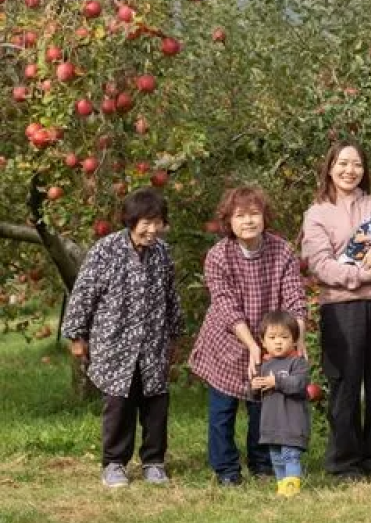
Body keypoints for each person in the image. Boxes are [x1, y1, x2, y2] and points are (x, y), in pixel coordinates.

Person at [301, 140, 371, 482]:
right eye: (343, 164)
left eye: (357, 165)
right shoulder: (317, 212)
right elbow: (319, 264)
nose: (350, 171)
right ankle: (344, 460)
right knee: (345, 382)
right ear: (330, 167)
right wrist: (359, 275)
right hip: (341, 306)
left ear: (365, 170)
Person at [62, 187, 183, 488]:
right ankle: (114, 463)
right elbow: (83, 295)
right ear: (131, 220)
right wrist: (77, 336)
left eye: (158, 222)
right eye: (146, 222)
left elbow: (171, 297)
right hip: (115, 344)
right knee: (119, 406)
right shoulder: (105, 249)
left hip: (153, 343)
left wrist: (175, 336)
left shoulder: (162, 253)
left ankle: (154, 462)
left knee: (156, 405)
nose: (153, 229)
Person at [187, 186, 308, 486]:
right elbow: (225, 303)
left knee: (263, 408)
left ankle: (263, 464)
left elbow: (295, 297)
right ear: (228, 222)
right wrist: (251, 344)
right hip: (227, 341)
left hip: (273, 342)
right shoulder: (218, 256)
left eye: (254, 214)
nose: (248, 221)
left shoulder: (282, 251)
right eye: (240, 216)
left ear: (265, 217)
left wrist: (298, 338)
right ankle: (226, 469)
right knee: (223, 411)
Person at [252, 310, 311, 497]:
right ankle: (282, 489)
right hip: (271, 424)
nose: (278, 341)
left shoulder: (297, 363)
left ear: (294, 340)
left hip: (292, 424)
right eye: (272, 337)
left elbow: (298, 384)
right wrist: (254, 387)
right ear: (263, 342)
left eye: (284, 337)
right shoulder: (264, 366)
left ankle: (292, 491)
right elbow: (255, 397)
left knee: (289, 455)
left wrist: (276, 381)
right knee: (276, 458)